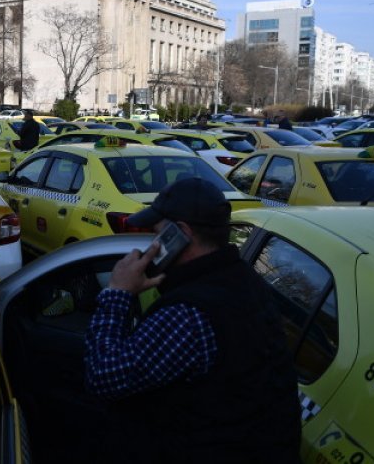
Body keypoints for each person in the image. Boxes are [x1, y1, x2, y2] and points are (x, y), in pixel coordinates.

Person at [83, 178, 300, 462]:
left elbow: (103, 377)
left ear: (181, 233)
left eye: (158, 233)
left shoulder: (189, 314)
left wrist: (118, 293)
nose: (153, 242)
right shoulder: (242, 279)